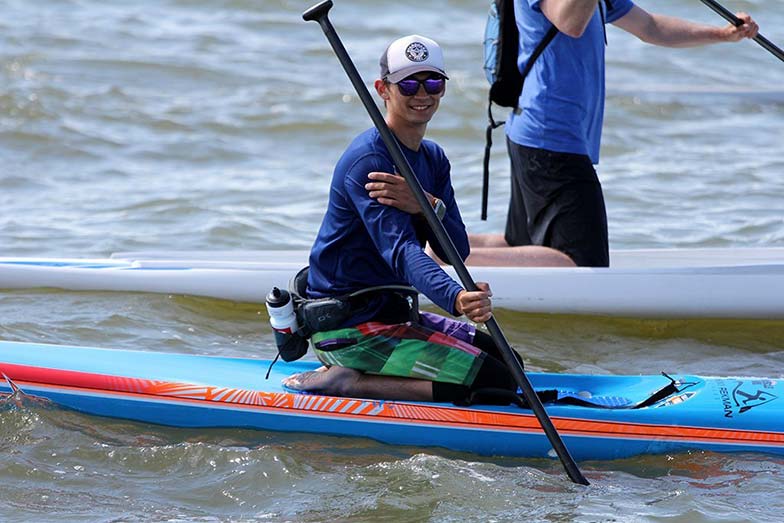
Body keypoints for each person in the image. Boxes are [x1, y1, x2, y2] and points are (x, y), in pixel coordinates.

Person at [283, 35, 571, 404]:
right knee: (493, 384)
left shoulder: (432, 158)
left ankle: (367, 373)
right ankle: (346, 382)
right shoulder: (369, 163)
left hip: (396, 317)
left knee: (510, 363)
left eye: (433, 82)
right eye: (408, 84)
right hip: (349, 328)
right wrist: (456, 298)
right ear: (382, 89)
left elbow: (456, 252)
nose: (422, 93)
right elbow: (401, 251)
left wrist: (427, 205)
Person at [504, 1, 760, 267]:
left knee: (520, 246)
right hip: (549, 137)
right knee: (581, 263)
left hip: (541, 135)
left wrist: (721, 34)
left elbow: (650, 27)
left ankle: (458, 256)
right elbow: (570, 22)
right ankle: (460, 265)